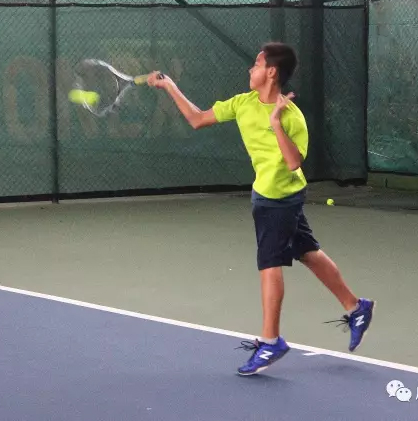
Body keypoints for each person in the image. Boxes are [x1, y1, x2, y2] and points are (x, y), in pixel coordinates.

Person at [147, 42, 375, 376]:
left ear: (271, 72)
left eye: (256, 64)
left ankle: (271, 341)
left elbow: (293, 162)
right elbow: (197, 119)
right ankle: (357, 307)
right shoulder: (242, 103)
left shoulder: (292, 117)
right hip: (267, 194)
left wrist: (276, 122)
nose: (250, 69)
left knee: (269, 264)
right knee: (308, 252)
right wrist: (170, 86)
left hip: (279, 198)